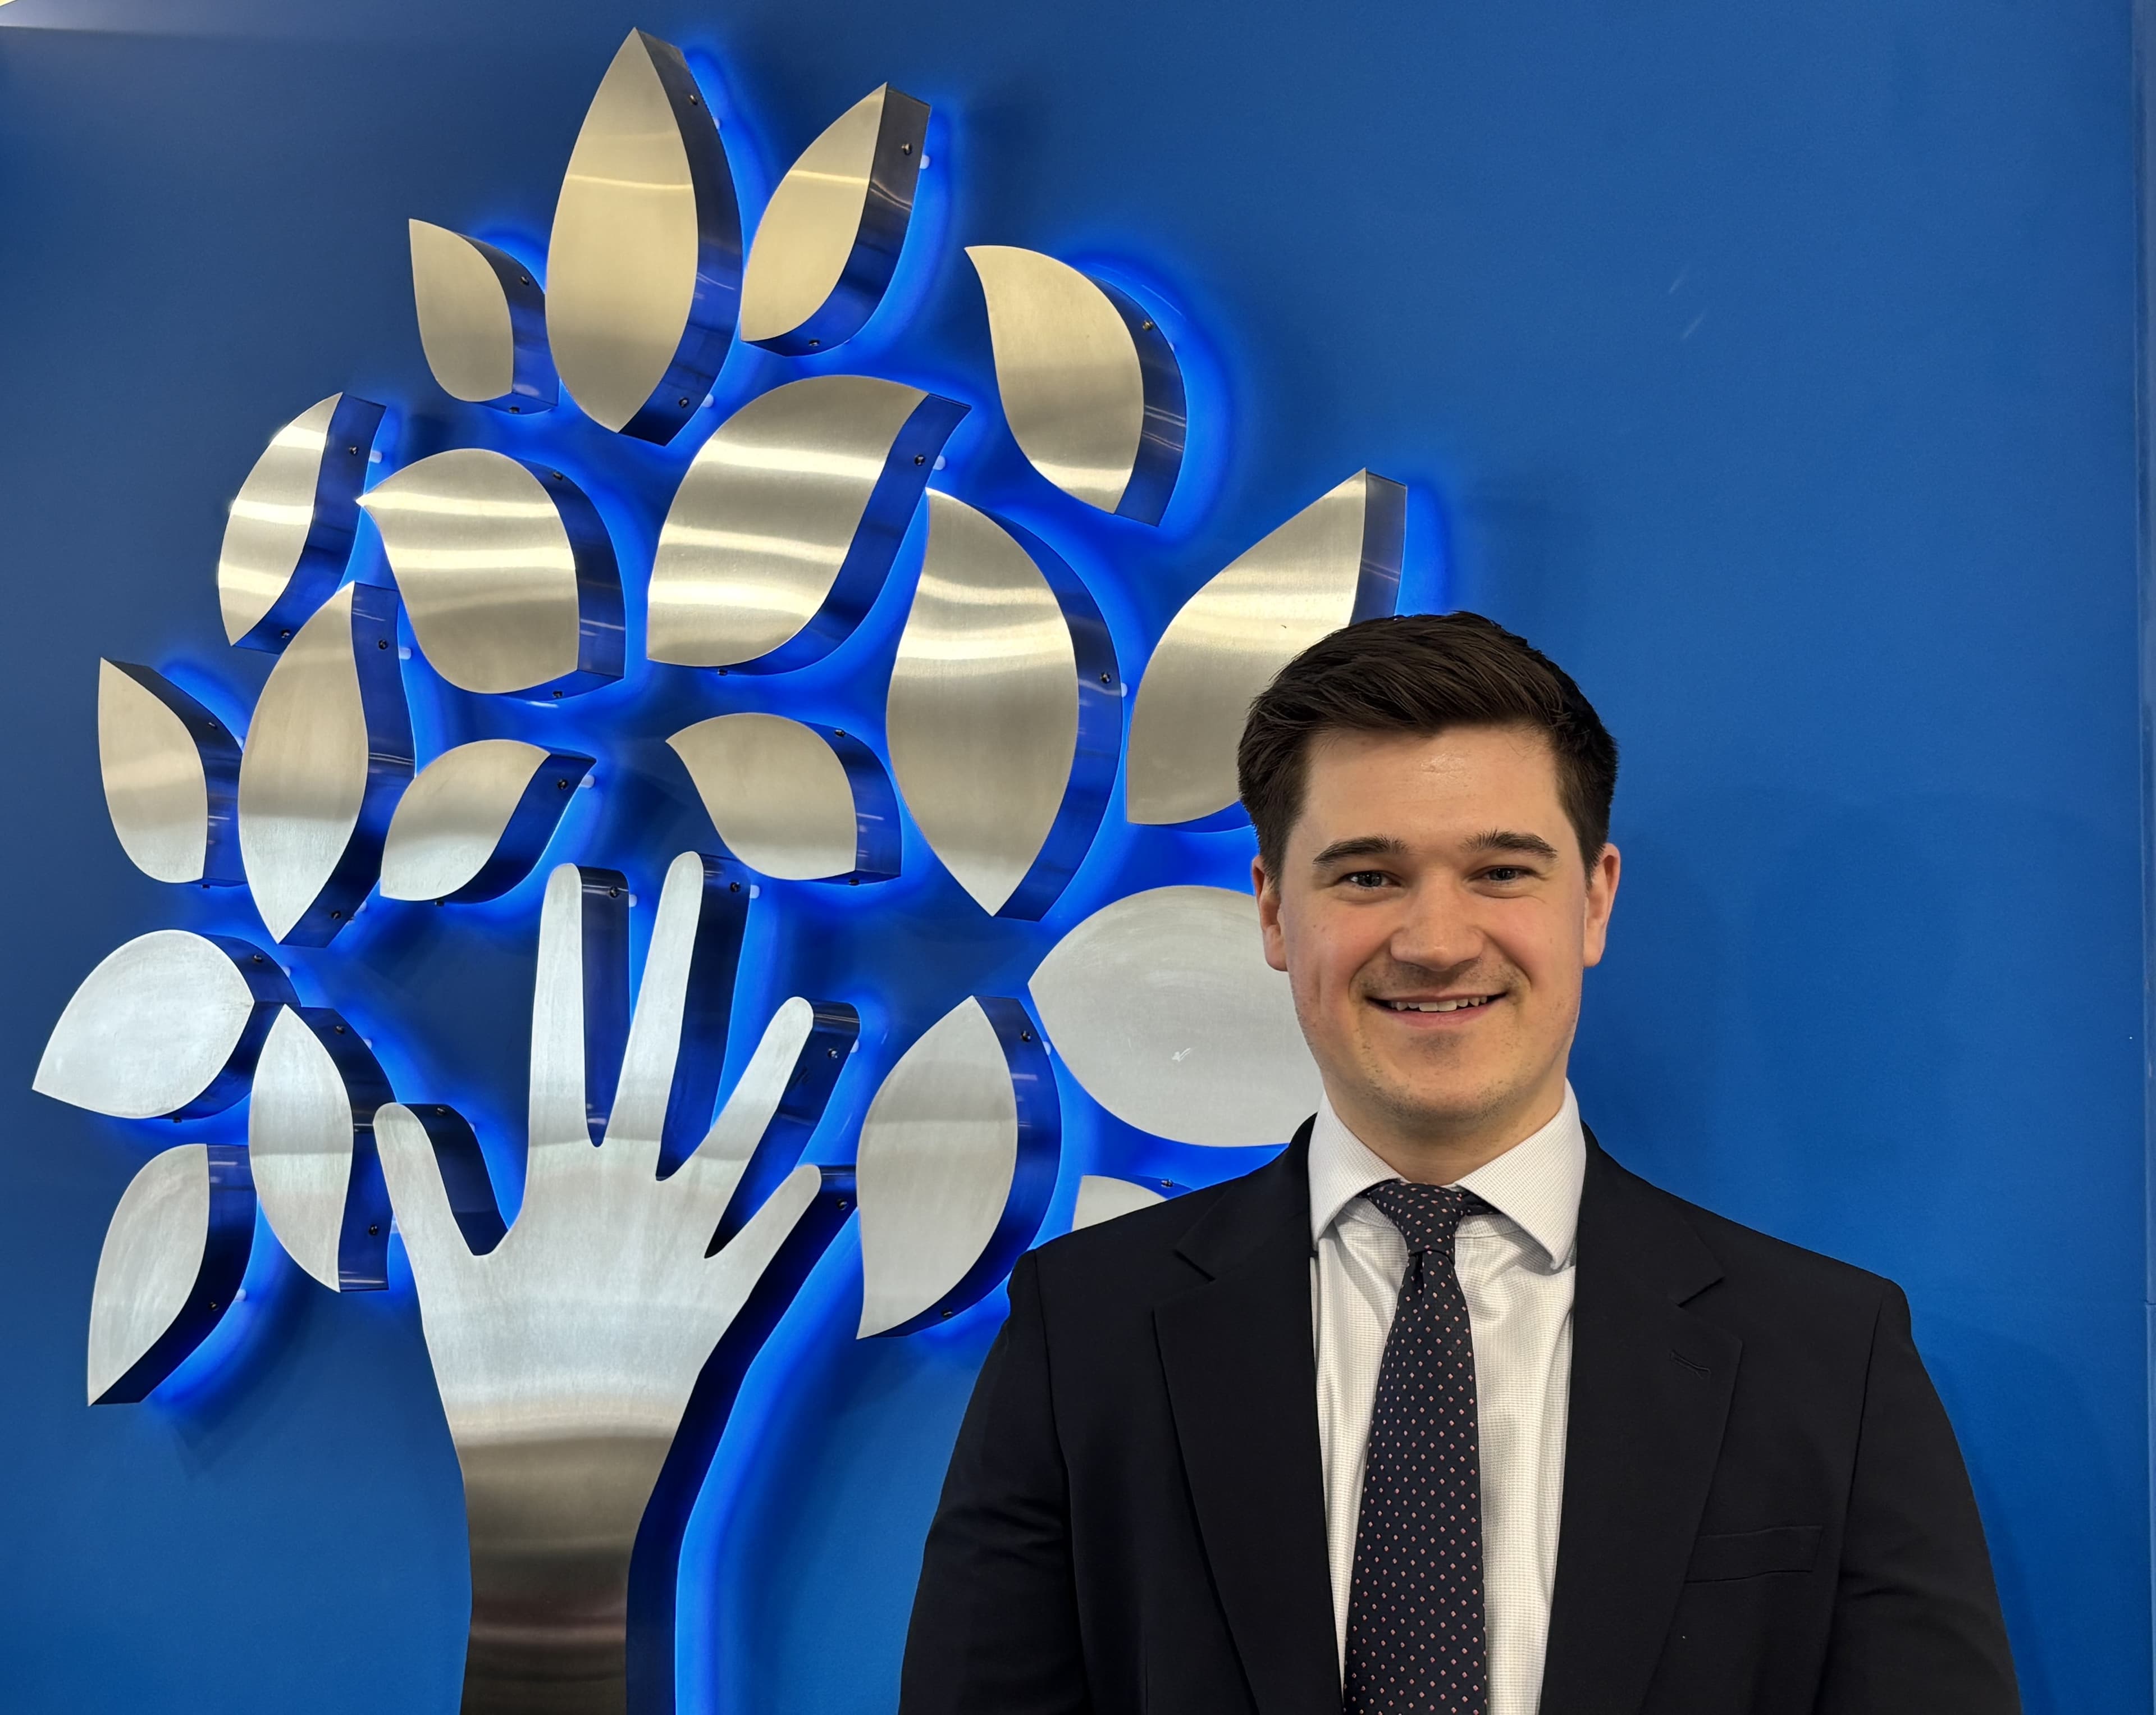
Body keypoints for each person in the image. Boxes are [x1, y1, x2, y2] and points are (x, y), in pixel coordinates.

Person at [898, 612, 2019, 1715]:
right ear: (1274, 911)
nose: (1437, 940)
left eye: (1500, 872)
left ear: (1594, 899)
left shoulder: (1830, 1357)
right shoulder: (1085, 1332)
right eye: (1368, 877)